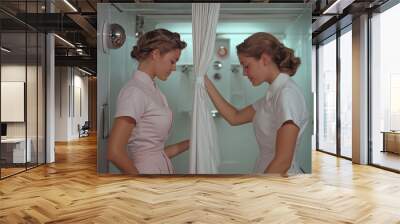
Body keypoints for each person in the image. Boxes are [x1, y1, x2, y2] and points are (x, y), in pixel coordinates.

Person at [204, 32, 308, 175]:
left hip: (278, 184)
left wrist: (258, 191)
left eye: (246, 66)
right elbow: (235, 117)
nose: (244, 73)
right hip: (268, 177)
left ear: (264, 59)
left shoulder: (286, 94)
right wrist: (203, 80)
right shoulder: (273, 95)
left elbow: (283, 161)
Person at [107, 29, 190, 175]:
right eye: (172, 61)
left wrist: (191, 143)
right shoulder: (135, 91)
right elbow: (114, 152)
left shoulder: (153, 91)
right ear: (156, 54)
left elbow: (155, 154)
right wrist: (142, 183)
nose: (174, 67)